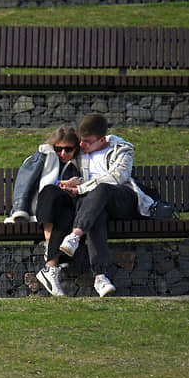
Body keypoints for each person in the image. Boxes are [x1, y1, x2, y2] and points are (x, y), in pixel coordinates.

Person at [57, 113, 155, 297]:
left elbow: (117, 178)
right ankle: (100, 277)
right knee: (97, 214)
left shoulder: (122, 149)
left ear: (101, 140)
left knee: (103, 188)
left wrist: (81, 189)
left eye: (87, 141)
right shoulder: (81, 152)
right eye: (80, 140)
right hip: (95, 206)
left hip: (123, 200)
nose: (81, 145)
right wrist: (73, 182)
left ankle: (75, 236)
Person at [31, 127, 81, 297]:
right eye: (58, 149)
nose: (63, 153)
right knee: (51, 192)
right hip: (48, 206)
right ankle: (51, 264)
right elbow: (38, 185)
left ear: (76, 148)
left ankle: (49, 261)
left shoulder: (80, 163)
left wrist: (75, 185)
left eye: (68, 149)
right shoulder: (47, 162)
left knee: (63, 208)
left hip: (72, 204)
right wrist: (62, 183)